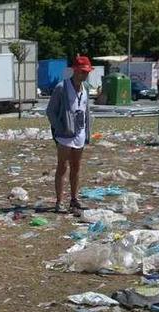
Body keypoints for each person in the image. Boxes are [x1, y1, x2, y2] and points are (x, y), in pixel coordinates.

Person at [46, 55, 94, 216]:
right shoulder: (62, 87)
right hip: (65, 135)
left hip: (79, 133)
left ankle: (74, 199)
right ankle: (59, 202)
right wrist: (60, 128)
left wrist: (87, 133)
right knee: (62, 167)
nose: (84, 74)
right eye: (82, 71)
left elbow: (86, 112)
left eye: (87, 72)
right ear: (75, 70)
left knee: (76, 167)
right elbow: (50, 111)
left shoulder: (85, 88)